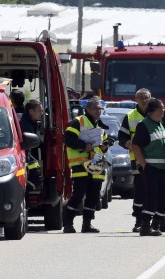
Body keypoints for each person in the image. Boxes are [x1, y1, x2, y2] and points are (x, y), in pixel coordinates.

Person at [118, 88, 165, 232]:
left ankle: (160, 221)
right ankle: (140, 221)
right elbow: (122, 137)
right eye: (141, 98)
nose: (144, 100)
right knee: (142, 191)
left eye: (147, 97)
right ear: (136, 100)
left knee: (162, 193)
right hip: (140, 161)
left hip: (159, 163)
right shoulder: (131, 116)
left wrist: (161, 106)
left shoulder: (159, 118)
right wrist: (129, 144)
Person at [63, 97, 109, 233]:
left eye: (100, 108)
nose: (98, 111)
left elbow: (102, 145)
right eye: (96, 108)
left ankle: (87, 224)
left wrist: (105, 147)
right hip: (80, 164)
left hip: (96, 164)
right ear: (88, 109)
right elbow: (68, 139)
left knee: (94, 195)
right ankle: (68, 223)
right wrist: (84, 146)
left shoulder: (99, 125)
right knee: (78, 194)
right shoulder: (78, 122)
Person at [132, 98, 165, 236]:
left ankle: (156, 222)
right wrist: (144, 165)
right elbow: (135, 146)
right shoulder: (144, 125)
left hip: (163, 167)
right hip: (151, 167)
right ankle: (145, 225)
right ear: (154, 111)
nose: (164, 111)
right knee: (152, 196)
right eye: (162, 108)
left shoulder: (159, 124)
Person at [20, 99, 44, 192]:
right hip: (25, 156)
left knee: (37, 178)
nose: (41, 113)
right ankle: (24, 190)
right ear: (31, 111)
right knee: (37, 179)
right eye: (39, 111)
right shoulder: (26, 125)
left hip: (27, 155)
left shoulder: (30, 122)